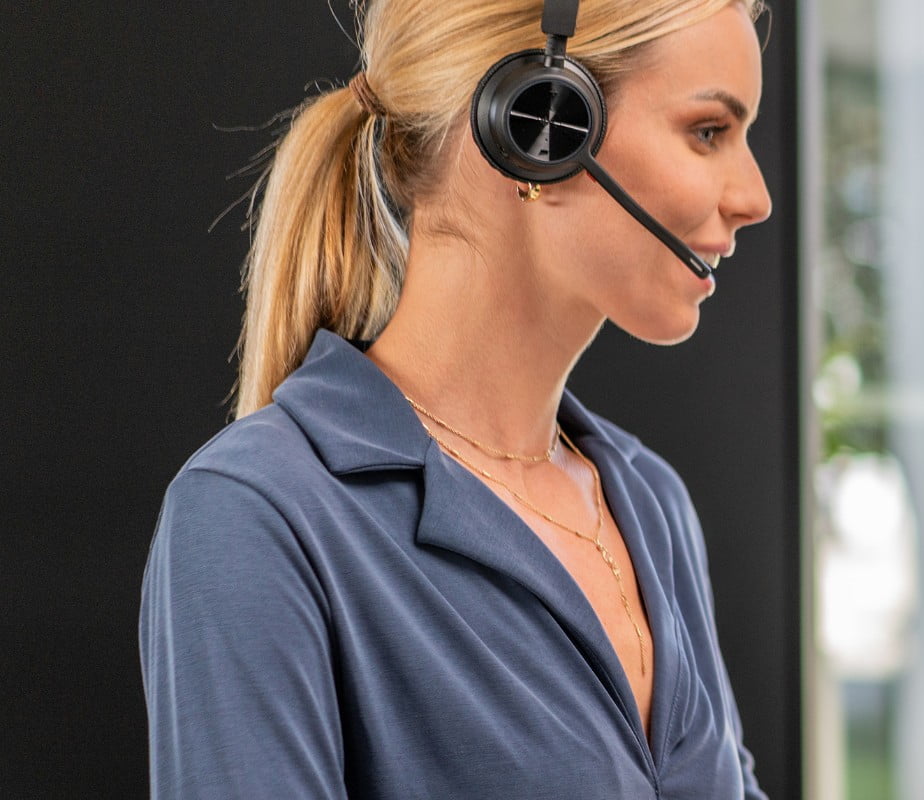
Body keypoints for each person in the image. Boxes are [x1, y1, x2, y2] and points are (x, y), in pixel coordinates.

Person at [137, 0, 774, 796]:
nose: (755, 197)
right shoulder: (261, 514)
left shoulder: (650, 503)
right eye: (708, 132)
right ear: (542, 121)